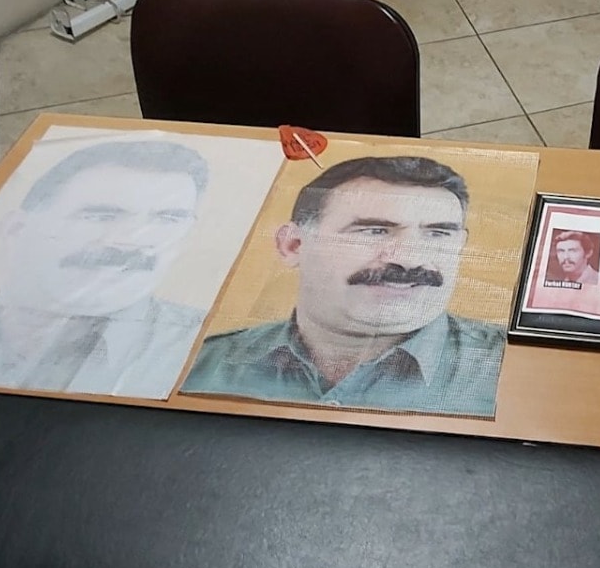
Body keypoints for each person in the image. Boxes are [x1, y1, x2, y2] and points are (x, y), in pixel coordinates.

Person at [182, 156, 505, 416]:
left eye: (438, 234)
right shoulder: (199, 364)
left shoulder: (509, 370)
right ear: (293, 245)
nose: (409, 260)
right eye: (374, 231)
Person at [0, 140, 209, 397]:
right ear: (16, 231)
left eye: (168, 219)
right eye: (100, 216)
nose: (130, 242)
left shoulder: (206, 352)